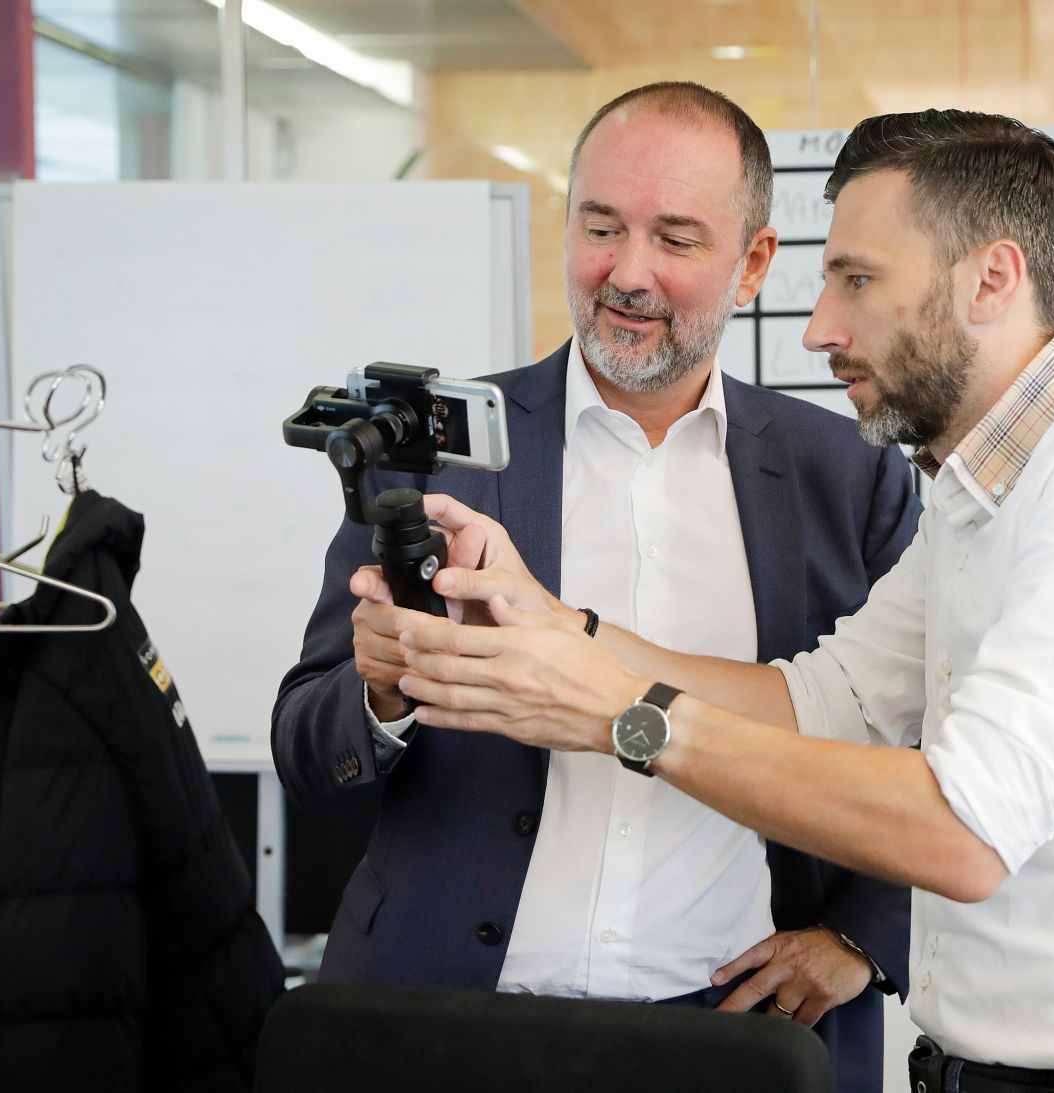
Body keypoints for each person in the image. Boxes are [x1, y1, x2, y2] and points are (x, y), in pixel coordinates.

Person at [393, 109, 1054, 1093]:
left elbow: (963, 832)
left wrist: (622, 716)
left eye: (857, 280)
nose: (820, 326)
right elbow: (821, 701)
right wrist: (562, 630)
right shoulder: (978, 498)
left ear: (990, 279)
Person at [271, 82, 919, 1093]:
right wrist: (381, 694)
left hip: (729, 1045)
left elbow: (927, 745)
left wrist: (858, 935)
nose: (627, 273)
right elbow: (307, 750)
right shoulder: (434, 452)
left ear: (752, 262)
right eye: (601, 226)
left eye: (674, 238)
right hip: (442, 1029)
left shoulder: (850, 478)